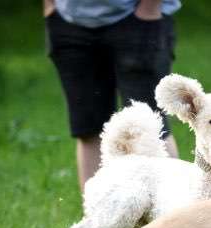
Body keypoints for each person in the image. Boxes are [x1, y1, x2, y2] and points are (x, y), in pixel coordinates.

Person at [43, 0, 181, 191]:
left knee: (151, 126)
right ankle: (96, 216)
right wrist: (50, 7)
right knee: (88, 129)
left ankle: (173, 213)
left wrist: (149, 9)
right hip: (68, 24)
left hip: (140, 16)